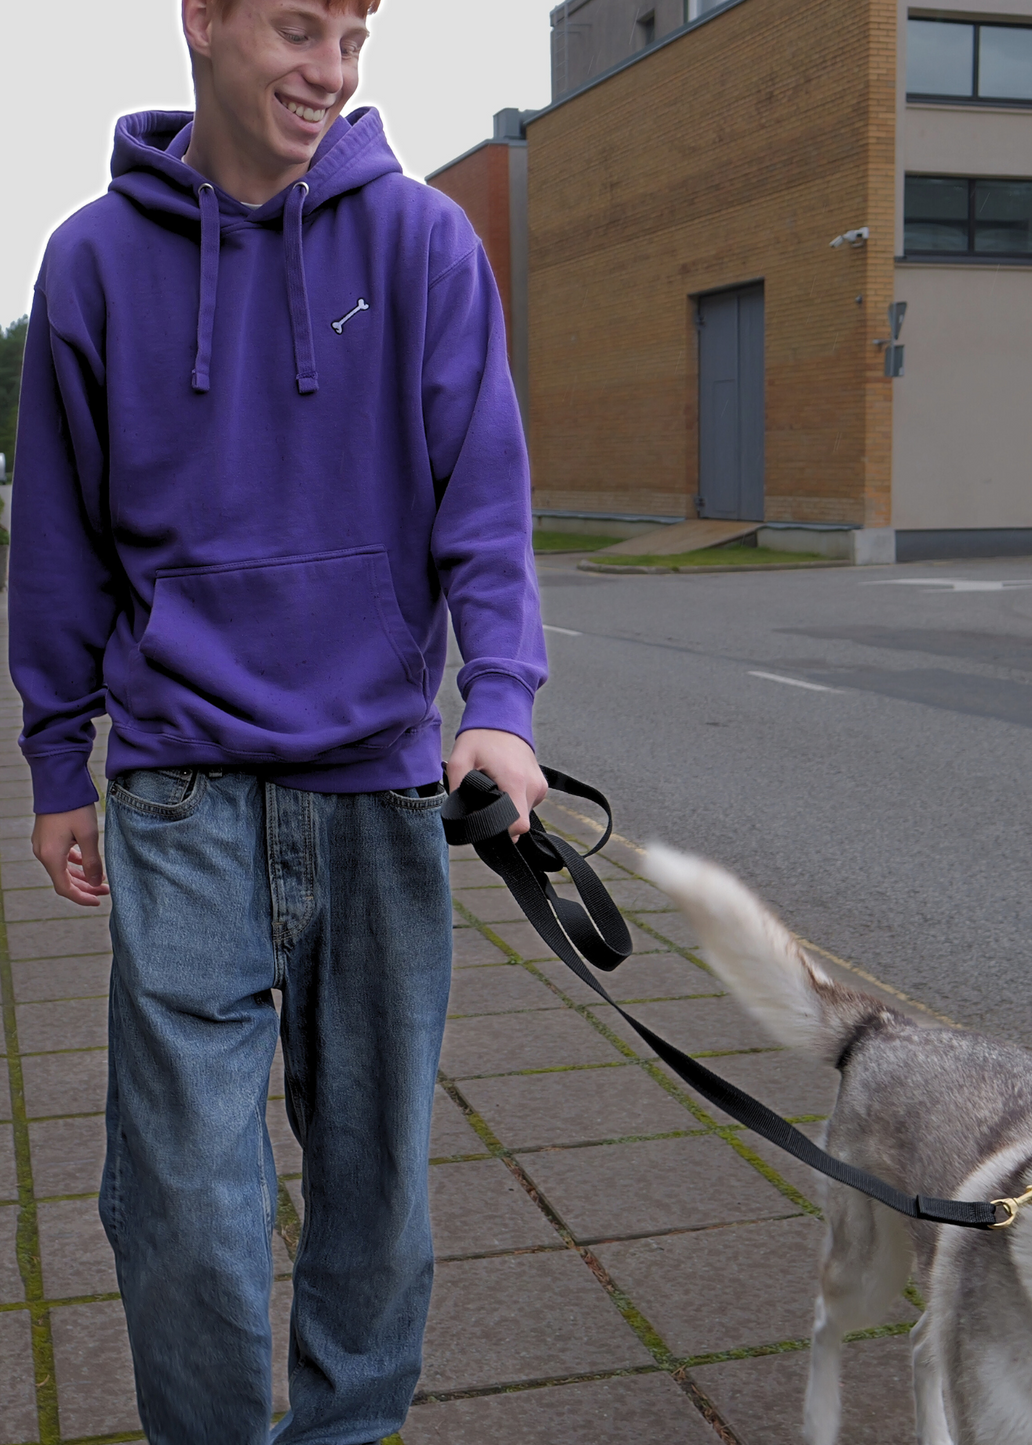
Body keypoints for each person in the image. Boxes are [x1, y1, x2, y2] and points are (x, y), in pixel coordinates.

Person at [9, 0, 548, 1439]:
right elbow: (56, 541)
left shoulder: (423, 243)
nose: (331, 69)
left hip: (378, 791)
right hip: (180, 790)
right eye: (300, 27)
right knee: (183, 1195)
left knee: (375, 1187)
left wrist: (498, 704)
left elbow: (483, 504)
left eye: (356, 34)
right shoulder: (92, 263)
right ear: (204, 17)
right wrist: (59, 757)